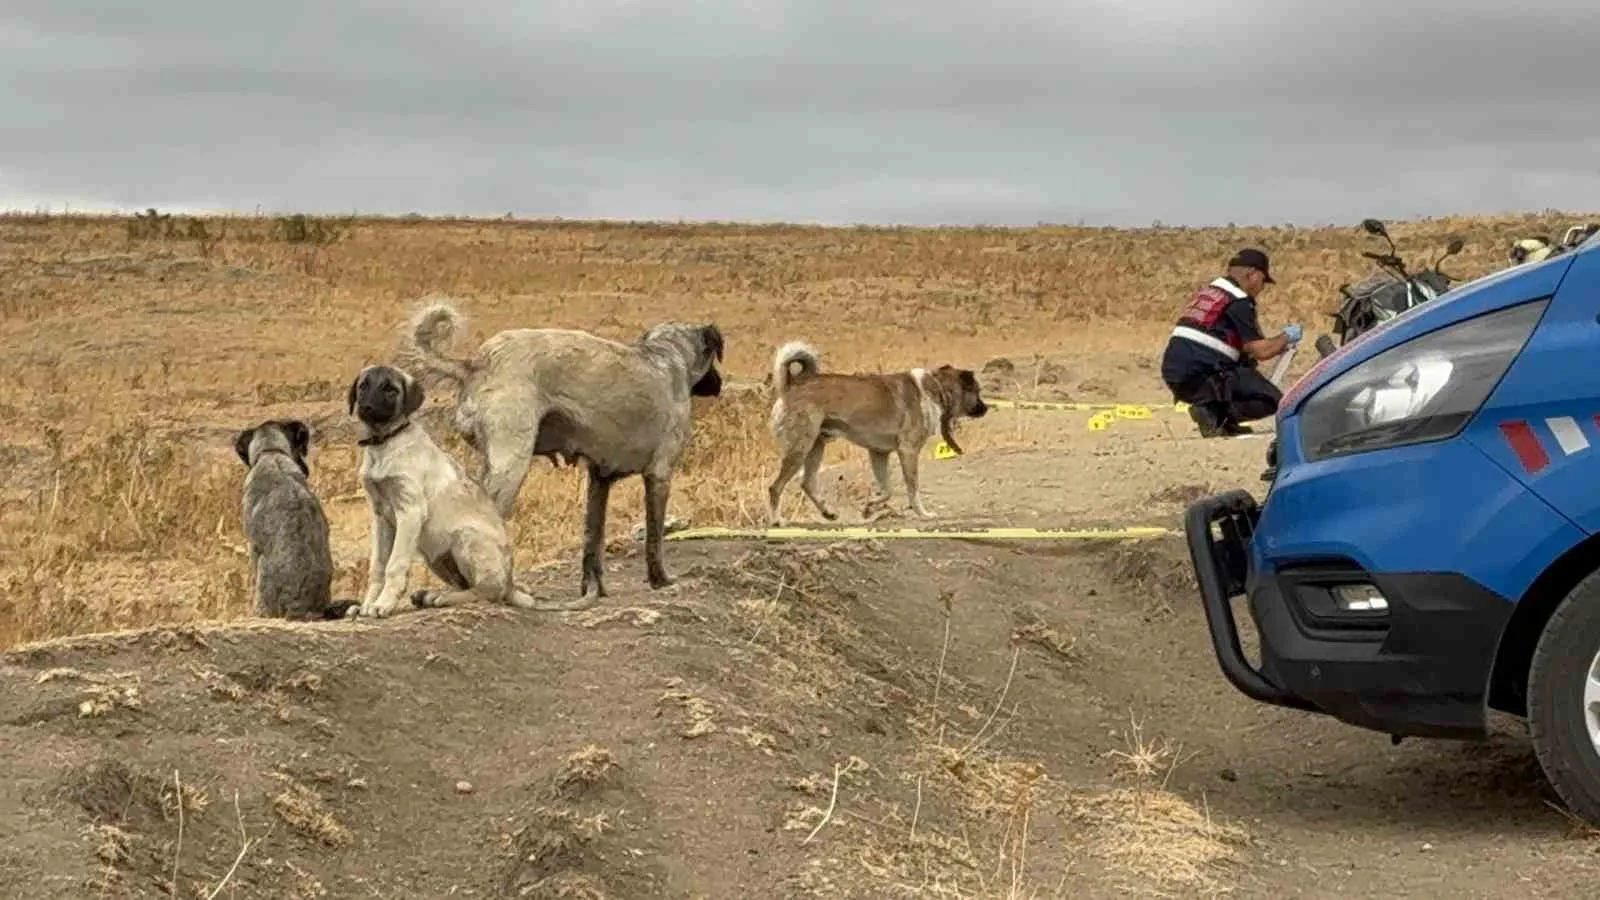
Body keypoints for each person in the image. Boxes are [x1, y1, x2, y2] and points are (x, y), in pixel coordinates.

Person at [1159, 248, 1301, 437]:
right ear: (1253, 275)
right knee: (1271, 400)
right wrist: (1287, 336)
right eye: (1263, 281)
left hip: (1177, 373)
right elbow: (1261, 351)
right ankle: (1215, 415)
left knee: (1246, 367)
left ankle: (1221, 420)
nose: (1262, 288)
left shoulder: (1212, 293)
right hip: (1203, 373)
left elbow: (1236, 347)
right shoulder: (1239, 301)